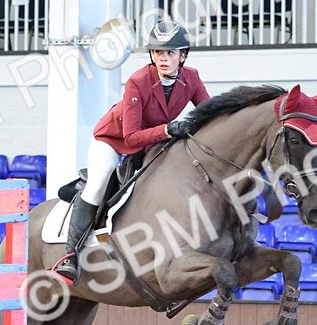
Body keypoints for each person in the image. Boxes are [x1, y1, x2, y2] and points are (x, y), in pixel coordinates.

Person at [52, 21, 211, 284]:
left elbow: (208, 114)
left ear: (183, 56)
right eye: (159, 53)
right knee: (99, 183)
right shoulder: (138, 82)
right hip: (113, 140)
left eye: (170, 53)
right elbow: (131, 136)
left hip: (152, 142)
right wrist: (169, 130)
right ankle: (69, 256)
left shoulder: (191, 78)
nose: (164, 58)